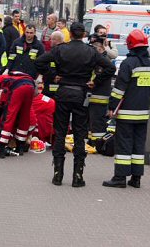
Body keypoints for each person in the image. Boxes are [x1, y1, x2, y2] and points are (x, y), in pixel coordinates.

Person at [35, 22, 115, 187]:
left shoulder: (60, 49)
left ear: (70, 34)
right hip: (82, 94)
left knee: (60, 132)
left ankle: (58, 175)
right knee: (80, 135)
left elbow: (39, 62)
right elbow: (109, 68)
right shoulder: (91, 51)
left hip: (63, 93)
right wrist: (94, 81)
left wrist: (53, 75)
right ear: (84, 35)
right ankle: (77, 176)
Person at [102, 29, 150, 189]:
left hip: (127, 113)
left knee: (124, 144)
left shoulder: (128, 64)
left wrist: (111, 106)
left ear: (131, 46)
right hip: (143, 113)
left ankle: (120, 178)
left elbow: (119, 89)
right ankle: (136, 178)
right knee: (138, 145)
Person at [0, 72, 36, 158]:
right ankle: (20, 147)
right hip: (30, 85)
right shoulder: (7, 78)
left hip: (17, 88)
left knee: (7, 117)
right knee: (24, 116)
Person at [87, 34, 113, 144]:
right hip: (95, 96)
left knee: (97, 122)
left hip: (100, 97)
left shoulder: (103, 61)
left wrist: (94, 82)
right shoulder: (100, 59)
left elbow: (98, 76)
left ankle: (98, 143)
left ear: (100, 48)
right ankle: (92, 141)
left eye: (94, 49)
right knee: (93, 121)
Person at [42, 31, 64, 98]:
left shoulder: (53, 53)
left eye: (51, 39)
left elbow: (39, 63)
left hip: (53, 85)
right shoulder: (66, 52)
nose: (50, 41)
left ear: (56, 40)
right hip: (59, 87)